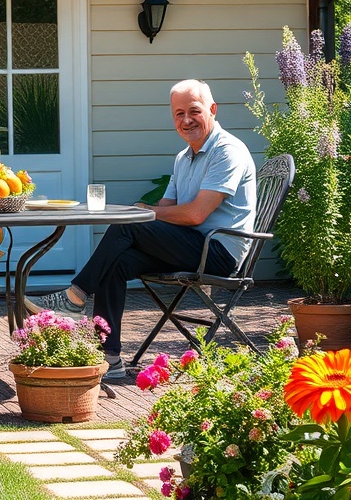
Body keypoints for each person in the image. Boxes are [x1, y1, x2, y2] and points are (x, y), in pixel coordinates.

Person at [25, 79, 257, 380]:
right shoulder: (183, 158)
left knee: (129, 226)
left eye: (194, 111)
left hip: (218, 253)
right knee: (116, 261)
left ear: (212, 109)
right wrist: (142, 212)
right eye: (179, 114)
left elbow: (195, 214)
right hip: (190, 245)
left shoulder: (227, 151)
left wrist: (142, 213)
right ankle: (109, 357)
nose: (186, 120)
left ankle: (75, 296)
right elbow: (164, 209)